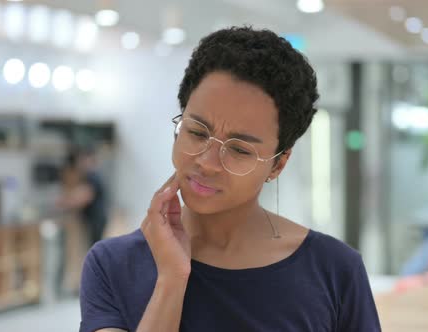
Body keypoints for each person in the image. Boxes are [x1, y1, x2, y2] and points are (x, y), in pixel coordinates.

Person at [79, 27, 381, 332]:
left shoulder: (333, 271)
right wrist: (171, 280)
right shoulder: (113, 265)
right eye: (196, 132)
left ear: (278, 164)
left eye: (239, 149)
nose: (207, 163)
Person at [58, 146, 108, 247]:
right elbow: (79, 193)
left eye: (83, 159)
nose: (80, 163)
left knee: (94, 249)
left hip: (95, 220)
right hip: (94, 220)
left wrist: (65, 203)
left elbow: (84, 196)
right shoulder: (89, 175)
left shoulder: (93, 176)